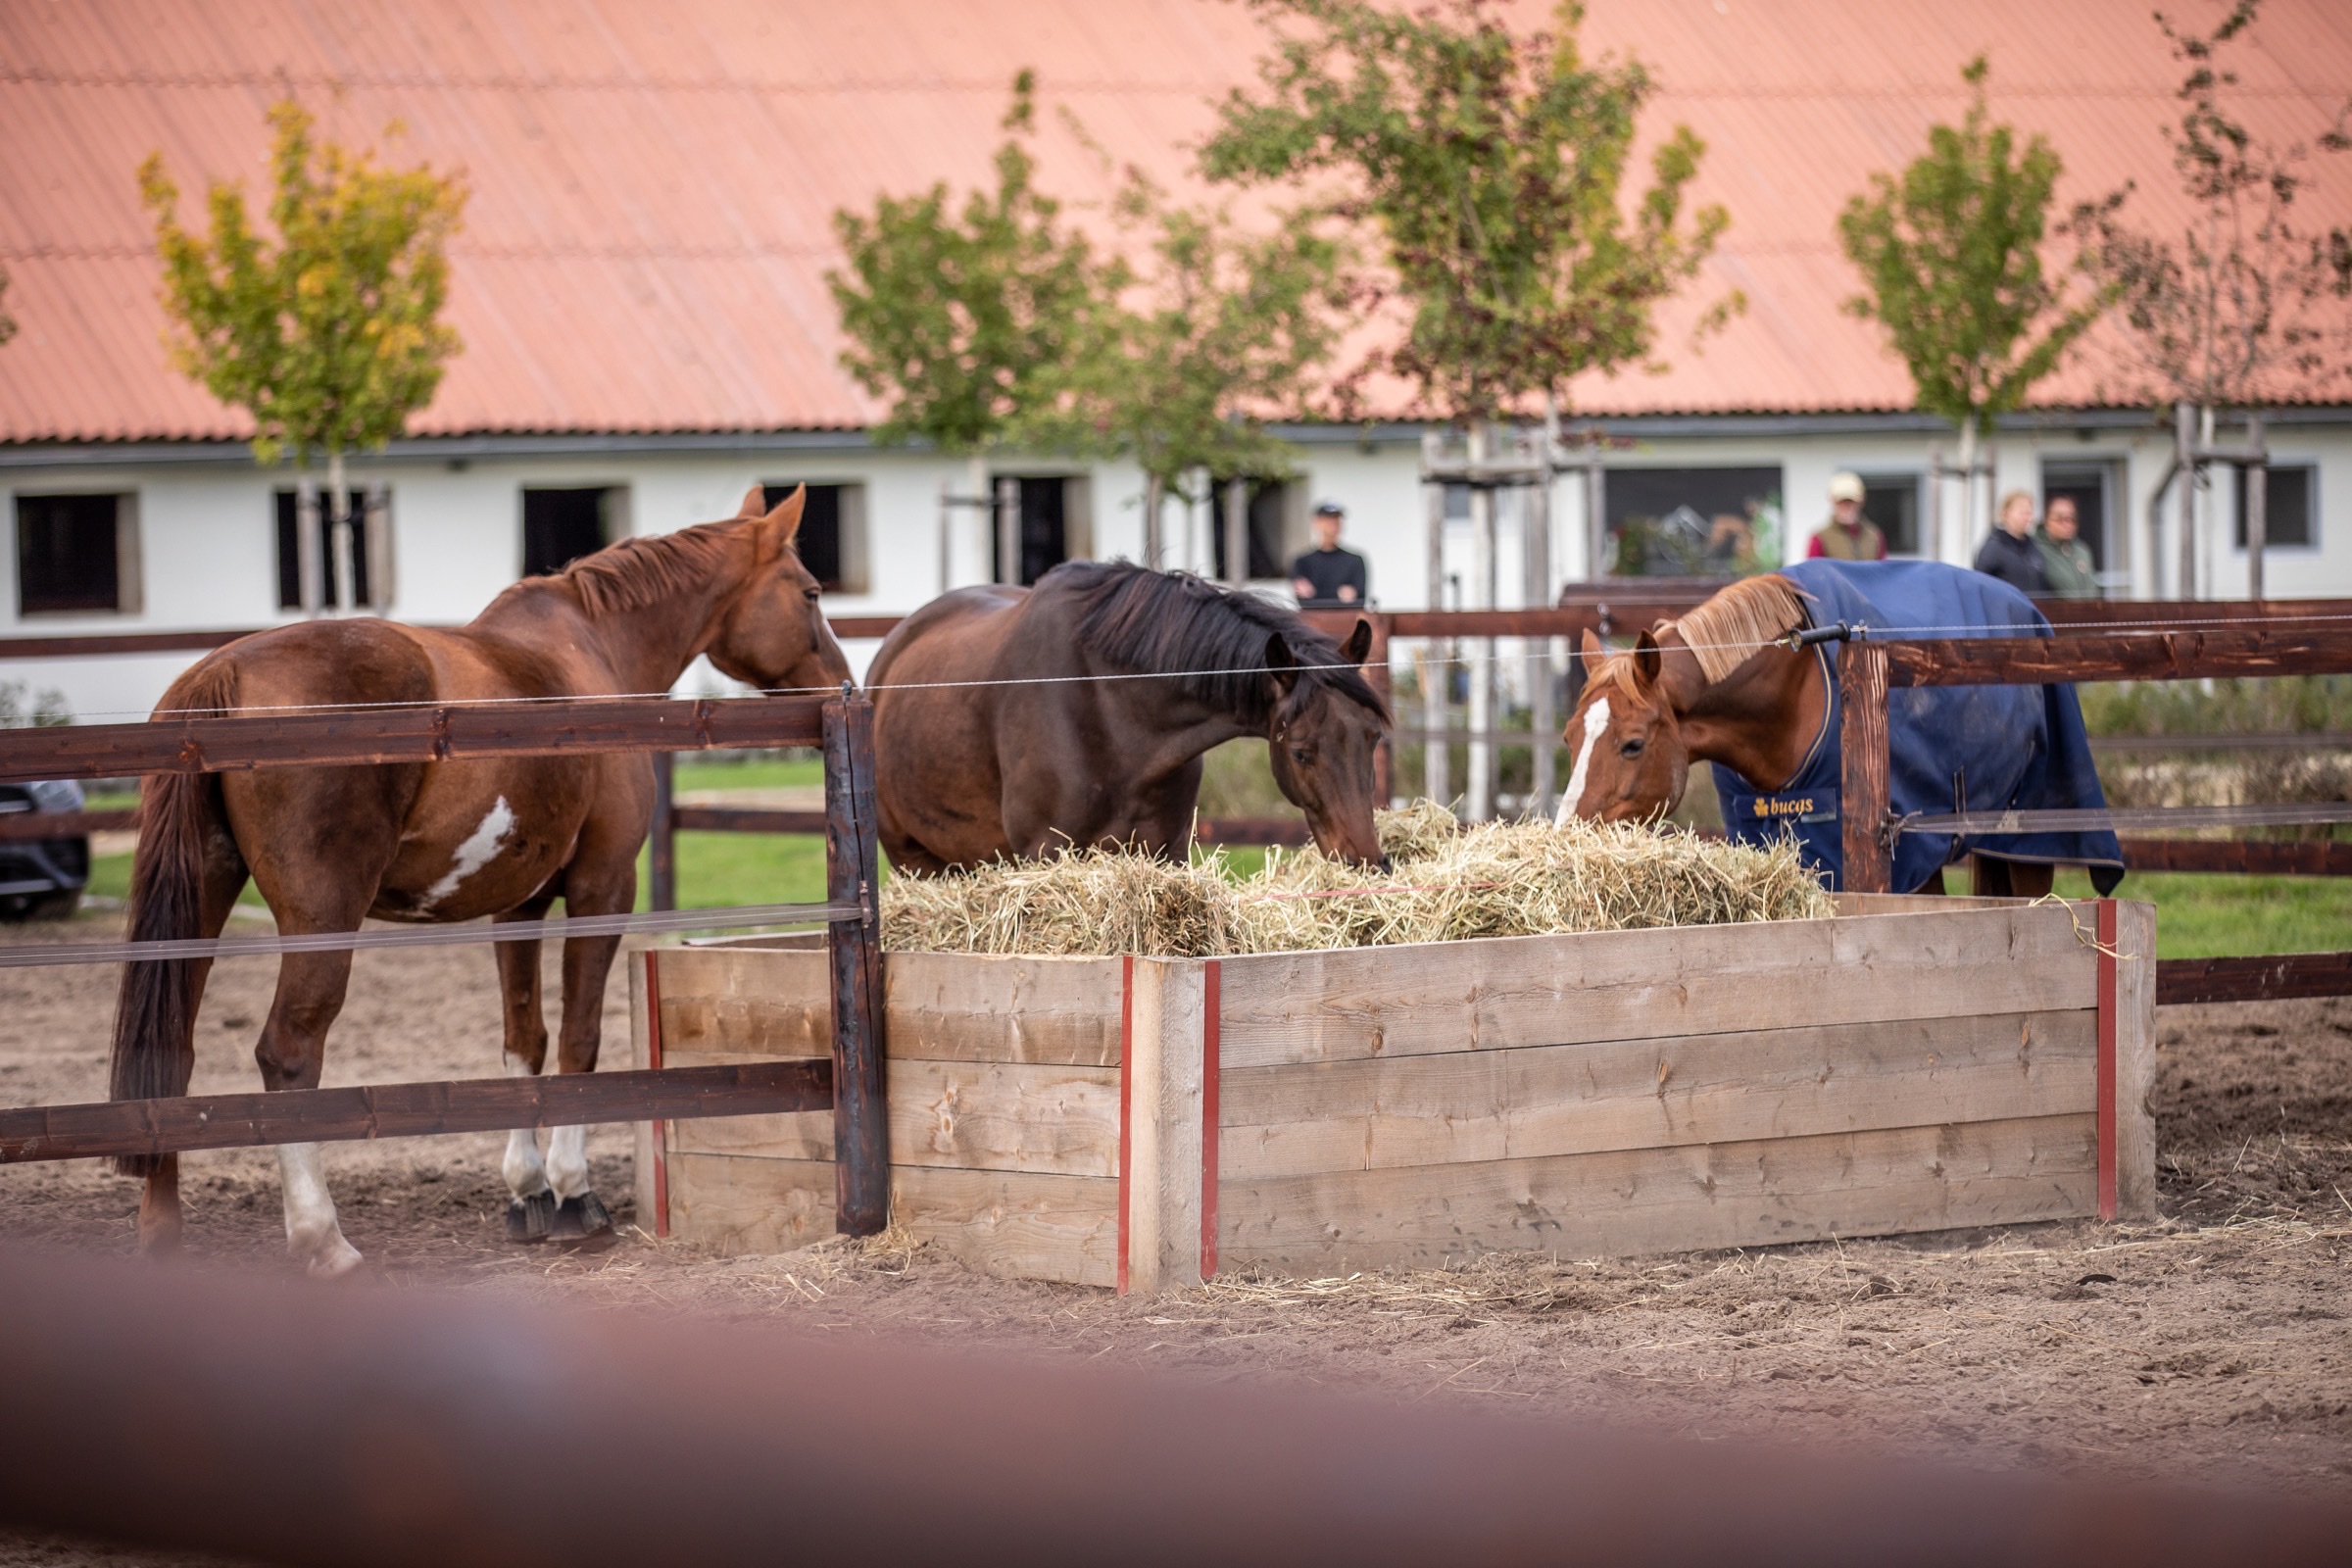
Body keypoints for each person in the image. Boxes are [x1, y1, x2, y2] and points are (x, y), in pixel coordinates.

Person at [1290, 500, 1368, 608]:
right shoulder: (1303, 562)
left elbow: (1360, 598)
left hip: (1345, 621)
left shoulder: (1354, 561)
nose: (1333, 525)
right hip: (1312, 621)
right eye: (1328, 520)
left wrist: (1352, 595)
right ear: (1316, 523)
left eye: (1336, 521)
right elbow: (1303, 599)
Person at [1974, 490, 2047, 596]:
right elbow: (1979, 582)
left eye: (2029, 513)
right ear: (2005, 513)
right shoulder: (1994, 547)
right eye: (2022, 513)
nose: (2027, 518)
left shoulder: (2033, 546)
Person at [1806, 471, 1887, 561]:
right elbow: (1811, 572)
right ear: (1832, 501)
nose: (1846, 506)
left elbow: (1882, 570)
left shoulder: (1874, 535)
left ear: (1861, 501)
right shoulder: (1820, 537)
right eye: (1841, 501)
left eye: (1851, 501)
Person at [2035, 496, 2099, 600]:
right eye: (2060, 519)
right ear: (2046, 520)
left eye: (2071, 519)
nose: (2067, 524)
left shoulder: (2082, 550)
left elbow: (2093, 590)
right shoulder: (2035, 549)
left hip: (2087, 614)